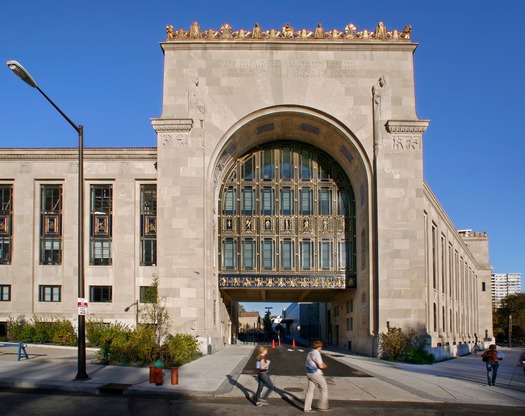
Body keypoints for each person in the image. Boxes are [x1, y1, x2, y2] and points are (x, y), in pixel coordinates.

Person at [304, 340, 331, 413]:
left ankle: (307, 408)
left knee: (310, 390)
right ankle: (323, 406)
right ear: (319, 347)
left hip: (309, 373)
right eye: (321, 346)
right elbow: (321, 365)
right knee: (324, 389)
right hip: (316, 374)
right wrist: (325, 365)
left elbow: (307, 363)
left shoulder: (310, 353)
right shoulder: (316, 354)